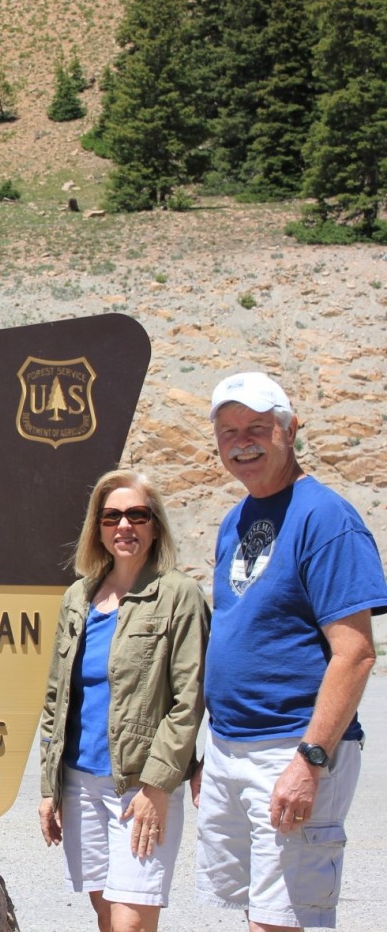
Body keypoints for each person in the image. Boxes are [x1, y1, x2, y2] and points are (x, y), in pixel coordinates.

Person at [195, 372, 386, 931]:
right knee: (262, 911)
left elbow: (355, 654)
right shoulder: (236, 519)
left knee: (286, 919)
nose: (242, 441)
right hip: (234, 747)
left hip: (292, 747)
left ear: (290, 429)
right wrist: (214, 750)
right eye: (228, 430)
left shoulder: (325, 517)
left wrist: (310, 760)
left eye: (256, 426)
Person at [37, 470, 209, 932]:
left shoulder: (180, 597)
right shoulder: (80, 596)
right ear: (98, 527)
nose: (124, 527)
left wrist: (157, 787)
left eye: (137, 515)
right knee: (108, 917)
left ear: (155, 525)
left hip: (138, 783)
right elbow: (58, 696)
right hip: (79, 782)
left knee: (132, 922)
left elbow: (188, 701)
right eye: (111, 517)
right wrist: (49, 787)